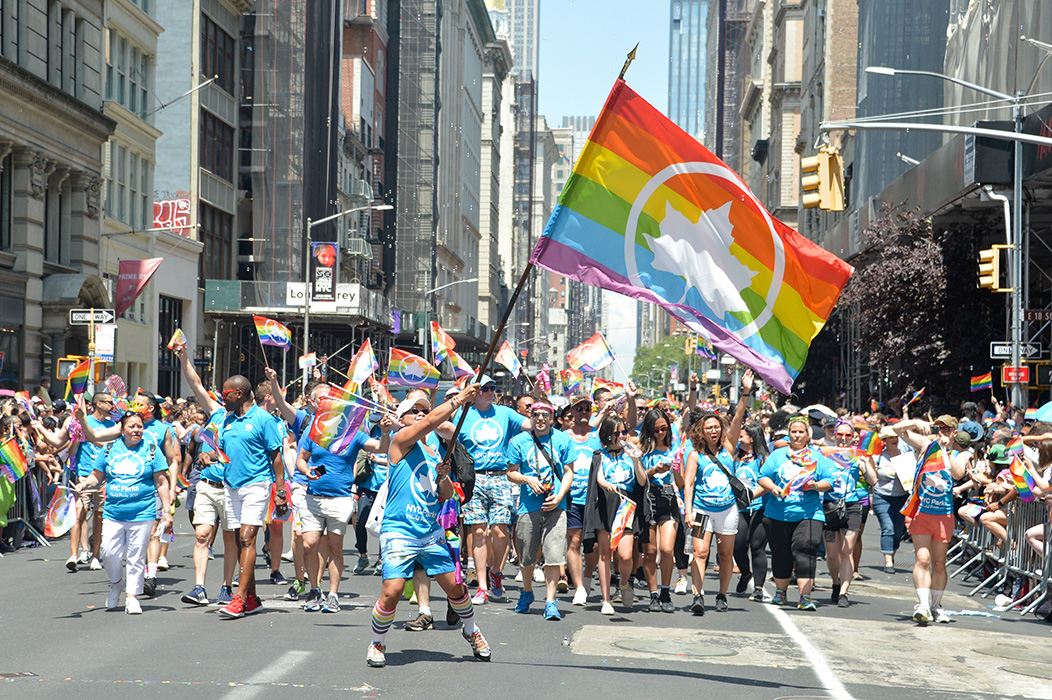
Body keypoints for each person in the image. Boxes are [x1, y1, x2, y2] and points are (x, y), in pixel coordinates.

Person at [367, 383, 491, 668]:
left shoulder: (434, 453)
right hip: (399, 530)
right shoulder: (400, 441)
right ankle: (377, 642)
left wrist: (443, 476)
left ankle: (471, 630)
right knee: (392, 591)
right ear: (401, 419)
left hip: (430, 533)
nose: (421, 414)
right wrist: (459, 399)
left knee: (455, 587)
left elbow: (444, 494)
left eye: (424, 409)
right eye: (414, 410)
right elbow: (432, 423)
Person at [295, 400, 395, 613]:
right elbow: (301, 459)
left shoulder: (354, 435)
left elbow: (382, 448)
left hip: (340, 499)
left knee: (334, 548)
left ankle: (332, 594)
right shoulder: (315, 433)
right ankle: (314, 590)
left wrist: (385, 432)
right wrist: (305, 470)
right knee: (309, 544)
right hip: (313, 498)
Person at [73, 411, 172, 614]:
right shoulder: (110, 448)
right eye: (131, 426)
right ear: (122, 429)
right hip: (113, 513)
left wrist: (167, 510)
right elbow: (97, 474)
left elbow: (162, 483)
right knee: (109, 553)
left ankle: (131, 597)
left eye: (139, 426)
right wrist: (85, 484)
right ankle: (117, 583)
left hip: (142, 512)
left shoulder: (152, 450)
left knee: (136, 556)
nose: (136, 430)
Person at [173, 341, 239, 606]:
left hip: (233, 487)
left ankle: (226, 587)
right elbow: (197, 385)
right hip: (207, 484)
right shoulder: (217, 414)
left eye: (230, 393)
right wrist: (184, 358)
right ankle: (199, 587)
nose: (225, 398)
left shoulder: (251, 420)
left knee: (230, 538)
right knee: (202, 534)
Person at [456, 374, 531, 604]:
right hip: (474, 478)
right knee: (478, 532)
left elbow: (532, 424)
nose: (490, 391)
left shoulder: (504, 413)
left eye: (492, 387)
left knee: (500, 531)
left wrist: (539, 401)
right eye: (484, 388)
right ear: (473, 392)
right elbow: (441, 429)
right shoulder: (462, 414)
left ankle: (496, 572)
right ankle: (482, 586)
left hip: (500, 476)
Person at [682, 370, 751, 615]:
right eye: (708, 428)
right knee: (699, 552)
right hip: (701, 510)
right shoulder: (695, 454)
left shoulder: (729, 447)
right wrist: (688, 512)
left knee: (725, 554)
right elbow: (689, 484)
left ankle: (722, 595)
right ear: (701, 431)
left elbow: (738, 417)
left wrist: (745, 392)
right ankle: (697, 595)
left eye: (716, 427)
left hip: (727, 511)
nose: (713, 431)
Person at [892, 415, 969, 624]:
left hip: (944, 515)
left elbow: (958, 473)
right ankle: (923, 605)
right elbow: (896, 430)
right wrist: (915, 423)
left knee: (939, 563)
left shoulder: (960, 455)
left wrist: (945, 449)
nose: (942, 432)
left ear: (954, 432)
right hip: (922, 513)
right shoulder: (927, 445)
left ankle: (936, 605)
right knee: (923, 559)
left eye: (947, 429)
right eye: (939, 428)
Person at [758, 415, 835, 610]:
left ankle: (805, 597)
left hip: (809, 514)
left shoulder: (817, 457)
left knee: (805, 549)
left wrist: (815, 485)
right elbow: (762, 477)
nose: (797, 435)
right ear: (789, 434)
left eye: (801, 432)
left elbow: (829, 481)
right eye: (794, 432)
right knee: (780, 553)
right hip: (777, 513)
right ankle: (780, 593)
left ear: (808, 435)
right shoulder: (778, 455)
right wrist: (773, 487)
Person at [506, 401, 574, 620]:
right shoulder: (519, 441)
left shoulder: (562, 439)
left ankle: (550, 601)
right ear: (531, 417)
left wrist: (560, 496)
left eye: (545, 415)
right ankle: (527, 592)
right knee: (527, 555)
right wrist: (528, 479)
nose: (541, 418)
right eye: (536, 414)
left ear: (552, 418)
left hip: (556, 506)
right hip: (529, 506)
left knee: (553, 555)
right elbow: (511, 472)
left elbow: (569, 472)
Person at [33, 391, 115, 572]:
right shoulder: (77, 421)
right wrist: (40, 428)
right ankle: (73, 555)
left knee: (99, 517)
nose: (113, 406)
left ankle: (95, 556)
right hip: (84, 475)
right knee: (79, 514)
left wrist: (91, 437)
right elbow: (57, 441)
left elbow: (112, 447)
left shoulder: (112, 426)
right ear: (99, 404)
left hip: (105, 476)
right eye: (109, 402)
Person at [585, 415, 647, 614]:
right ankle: (606, 600)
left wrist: (636, 460)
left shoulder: (632, 453)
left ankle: (624, 584)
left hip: (626, 503)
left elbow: (642, 481)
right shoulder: (600, 455)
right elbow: (599, 478)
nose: (621, 436)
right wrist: (606, 485)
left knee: (625, 554)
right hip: (606, 503)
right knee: (605, 553)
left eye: (623, 432)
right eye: (616, 433)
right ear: (607, 435)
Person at [638, 407, 681, 613]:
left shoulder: (675, 448)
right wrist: (654, 470)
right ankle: (653, 593)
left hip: (669, 497)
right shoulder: (643, 449)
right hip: (648, 498)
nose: (660, 433)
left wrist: (674, 468)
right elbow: (638, 478)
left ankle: (665, 591)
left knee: (667, 549)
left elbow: (682, 481)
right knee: (650, 552)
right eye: (656, 430)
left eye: (664, 428)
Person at [561, 393, 601, 605]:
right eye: (579, 408)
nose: (583, 412)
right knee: (574, 541)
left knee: (593, 546)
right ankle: (578, 587)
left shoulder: (598, 435)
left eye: (587, 408)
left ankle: (587, 576)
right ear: (572, 412)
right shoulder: (563, 437)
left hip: (595, 499)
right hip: (571, 499)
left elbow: (629, 427)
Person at [822, 421, 864, 607]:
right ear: (834, 435)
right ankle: (835, 582)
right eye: (840, 434)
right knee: (832, 554)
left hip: (852, 505)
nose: (843, 438)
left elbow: (872, 480)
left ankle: (844, 593)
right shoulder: (825, 455)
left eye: (848, 435)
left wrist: (865, 465)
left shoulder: (858, 455)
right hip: (830, 505)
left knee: (847, 551)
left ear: (853, 437)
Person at [866, 425, 913, 574]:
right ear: (885, 440)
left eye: (896, 437)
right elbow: (871, 478)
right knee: (888, 528)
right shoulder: (878, 457)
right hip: (882, 496)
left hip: (901, 498)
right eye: (890, 437)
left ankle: (891, 555)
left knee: (898, 531)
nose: (894, 440)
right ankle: (888, 562)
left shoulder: (906, 456)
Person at [733, 422, 770, 602]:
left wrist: (751, 496)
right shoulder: (736, 458)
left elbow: (767, 483)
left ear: (752, 438)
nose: (738, 440)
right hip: (740, 508)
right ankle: (745, 573)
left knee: (757, 546)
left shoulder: (763, 459)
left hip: (759, 507)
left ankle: (758, 588)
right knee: (738, 546)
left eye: (741, 437)